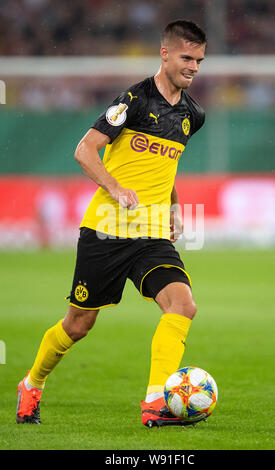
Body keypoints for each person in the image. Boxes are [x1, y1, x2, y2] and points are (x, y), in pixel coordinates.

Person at [16, 19, 206, 427]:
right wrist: (116, 188)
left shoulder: (193, 114)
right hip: (106, 231)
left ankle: (156, 400)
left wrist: (174, 208)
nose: (193, 67)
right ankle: (32, 382)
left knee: (182, 304)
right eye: (187, 58)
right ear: (165, 53)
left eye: (199, 60)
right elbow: (84, 150)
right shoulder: (133, 100)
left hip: (152, 234)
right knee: (79, 324)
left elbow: (167, 166)